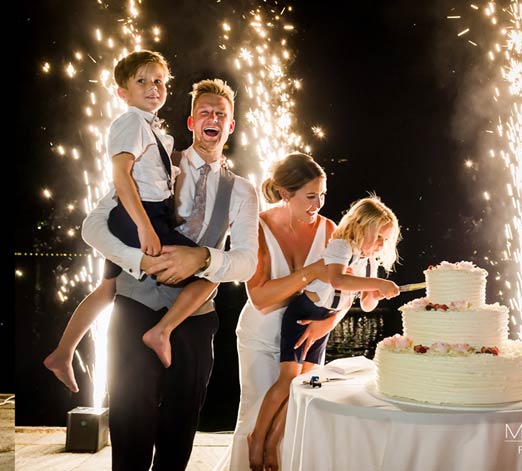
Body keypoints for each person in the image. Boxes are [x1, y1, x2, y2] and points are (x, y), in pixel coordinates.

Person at [81, 77, 259, 471]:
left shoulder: (244, 191)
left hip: (195, 320)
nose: (213, 118)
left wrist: (202, 259)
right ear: (191, 122)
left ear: (230, 126)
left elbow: (247, 262)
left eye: (221, 114)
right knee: (129, 420)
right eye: (205, 112)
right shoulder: (151, 158)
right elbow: (93, 226)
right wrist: (140, 261)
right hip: (134, 306)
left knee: (181, 425)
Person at [44, 51, 217, 394]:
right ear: (122, 92)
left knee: (107, 289)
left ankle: (62, 353)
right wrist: (144, 227)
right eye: (142, 81)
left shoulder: (148, 125)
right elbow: (121, 175)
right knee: (208, 270)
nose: (153, 88)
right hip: (140, 214)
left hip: (137, 213)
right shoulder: (131, 123)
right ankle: (161, 331)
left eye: (158, 81)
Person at [248, 196, 401, 471]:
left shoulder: (369, 261)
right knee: (288, 380)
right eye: (378, 237)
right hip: (304, 314)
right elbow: (338, 279)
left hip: (325, 321)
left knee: (304, 384)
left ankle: (274, 442)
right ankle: (257, 437)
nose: (381, 245)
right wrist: (376, 282)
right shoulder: (341, 246)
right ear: (362, 226)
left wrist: (378, 293)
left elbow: (366, 304)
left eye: (384, 241)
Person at [214, 152, 337, 471]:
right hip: (261, 339)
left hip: (304, 341)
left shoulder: (329, 230)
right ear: (285, 193)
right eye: (310, 196)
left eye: (322, 195)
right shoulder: (258, 228)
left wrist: (328, 324)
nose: (318, 204)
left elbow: (340, 291)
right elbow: (260, 297)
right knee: (255, 415)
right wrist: (310, 273)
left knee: (296, 418)